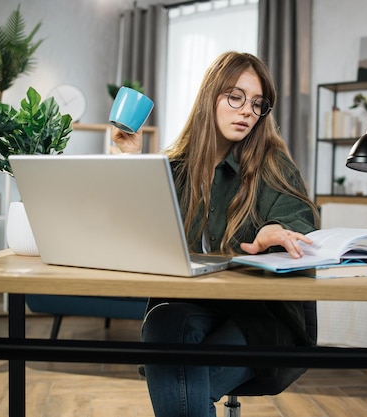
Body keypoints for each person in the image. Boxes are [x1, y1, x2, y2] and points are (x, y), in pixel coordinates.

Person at [111, 51, 319, 417]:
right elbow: (136, 230)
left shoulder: (273, 164)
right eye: (235, 97)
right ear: (211, 96)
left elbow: (298, 227)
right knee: (163, 322)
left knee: (178, 380)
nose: (246, 112)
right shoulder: (173, 168)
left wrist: (273, 231)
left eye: (257, 104)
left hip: (261, 320)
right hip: (189, 310)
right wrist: (131, 160)